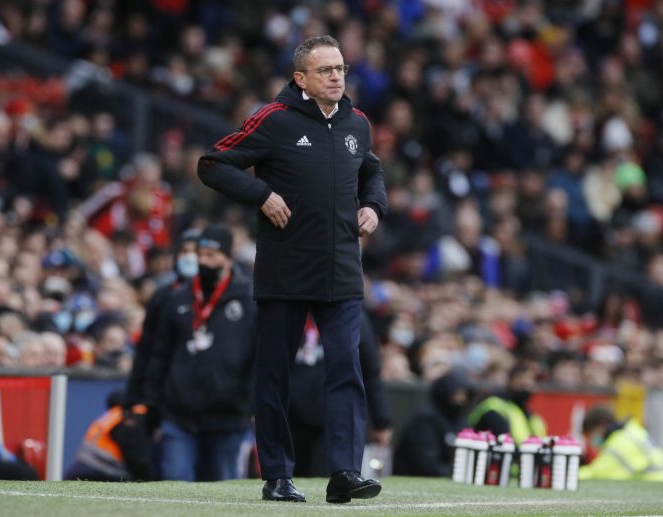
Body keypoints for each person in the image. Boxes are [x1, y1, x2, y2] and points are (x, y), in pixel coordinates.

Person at [197, 35, 387, 503]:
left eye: (341, 68)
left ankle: (344, 472)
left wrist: (374, 207)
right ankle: (278, 475)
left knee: (346, 368)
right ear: (300, 78)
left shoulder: (357, 123)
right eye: (326, 70)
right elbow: (213, 163)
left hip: (342, 268)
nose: (338, 76)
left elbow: (373, 172)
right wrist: (261, 195)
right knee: (275, 374)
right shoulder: (274, 120)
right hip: (285, 269)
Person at [144, 223, 257, 481]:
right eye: (200, 255)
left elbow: (259, 356)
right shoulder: (178, 298)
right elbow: (159, 355)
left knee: (221, 495)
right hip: (179, 415)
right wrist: (152, 404)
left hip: (229, 417)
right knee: (175, 487)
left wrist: (252, 402)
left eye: (210, 256)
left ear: (227, 258)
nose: (202, 261)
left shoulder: (249, 299)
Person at [288, 311, 393, 477]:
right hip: (291, 416)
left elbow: (371, 371)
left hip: (333, 418)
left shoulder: (350, 314)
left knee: (322, 475)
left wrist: (382, 421)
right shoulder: (291, 312)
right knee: (291, 475)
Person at [124, 227, 200, 410]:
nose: (189, 257)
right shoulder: (163, 295)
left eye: (195, 252)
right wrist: (134, 397)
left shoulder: (225, 297)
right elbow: (146, 347)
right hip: (166, 388)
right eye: (184, 251)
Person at [393, 368, 475, 477]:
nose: (461, 399)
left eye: (464, 395)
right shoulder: (426, 420)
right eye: (457, 395)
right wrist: (452, 472)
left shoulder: (461, 420)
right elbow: (425, 461)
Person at [65, 389, 152, 481]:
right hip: (105, 471)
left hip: (80, 469)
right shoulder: (128, 418)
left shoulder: (109, 417)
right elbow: (135, 456)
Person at [579, 405, 663, 481]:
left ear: (601, 426)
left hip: (649, 482)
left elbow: (597, 473)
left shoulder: (617, 443)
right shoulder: (631, 431)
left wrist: (572, 474)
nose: (591, 440)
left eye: (591, 434)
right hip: (659, 479)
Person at [467, 363, 547, 445]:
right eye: (522, 378)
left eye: (532, 379)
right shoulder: (495, 407)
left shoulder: (530, 415)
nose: (527, 383)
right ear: (511, 379)